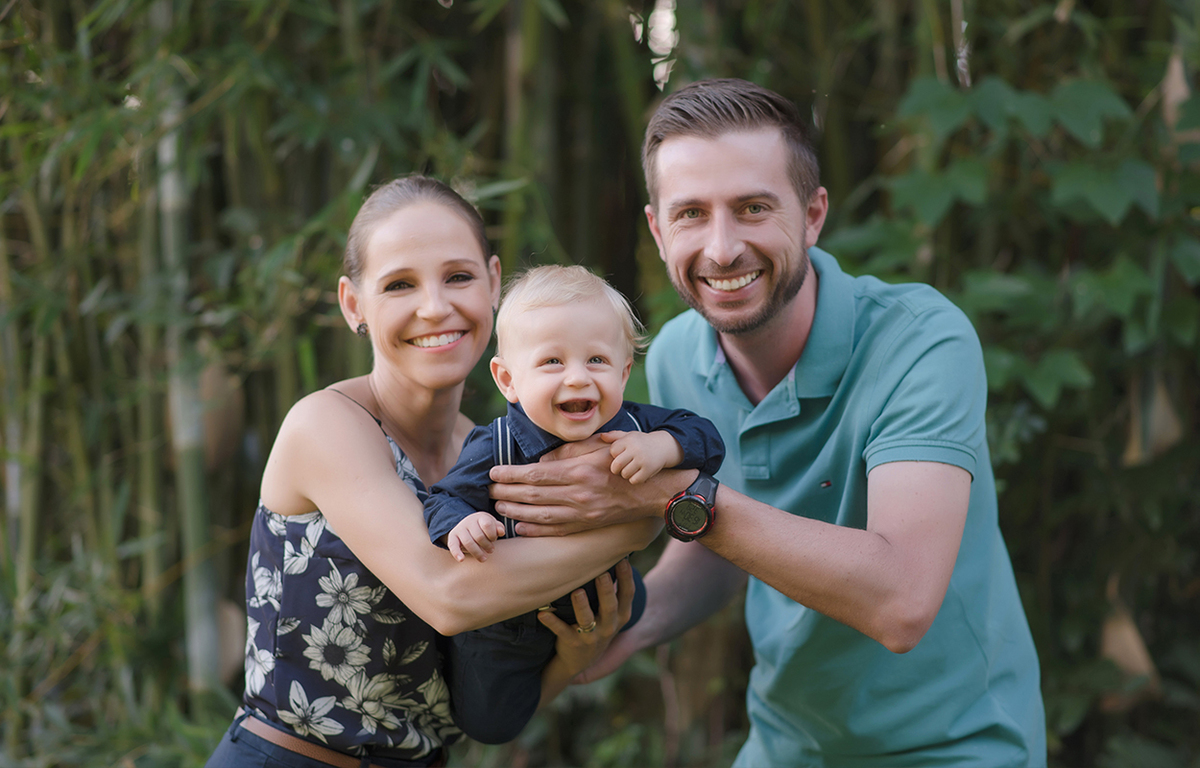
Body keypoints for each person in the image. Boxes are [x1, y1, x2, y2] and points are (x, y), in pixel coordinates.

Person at [488, 79, 1047, 767]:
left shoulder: (921, 340)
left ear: (812, 215)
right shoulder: (676, 357)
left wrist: (668, 493)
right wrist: (619, 630)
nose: (722, 250)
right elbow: (722, 543)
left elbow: (902, 601)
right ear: (659, 230)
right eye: (692, 214)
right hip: (788, 743)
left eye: (753, 208)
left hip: (955, 746)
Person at [205, 176, 657, 768]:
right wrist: (639, 524)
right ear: (353, 305)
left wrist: (573, 658)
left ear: (494, 283)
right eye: (399, 284)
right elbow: (449, 596)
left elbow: (482, 705)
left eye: (459, 277)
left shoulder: (493, 457)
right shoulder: (327, 426)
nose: (436, 306)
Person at [423, 265, 724, 744]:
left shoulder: (634, 426)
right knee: (490, 723)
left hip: (601, 590)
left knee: (636, 605)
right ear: (508, 380)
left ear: (625, 371)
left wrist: (662, 447)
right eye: (552, 363)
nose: (579, 379)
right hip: (510, 621)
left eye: (598, 360)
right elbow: (444, 498)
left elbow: (706, 438)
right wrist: (465, 521)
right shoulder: (495, 445)